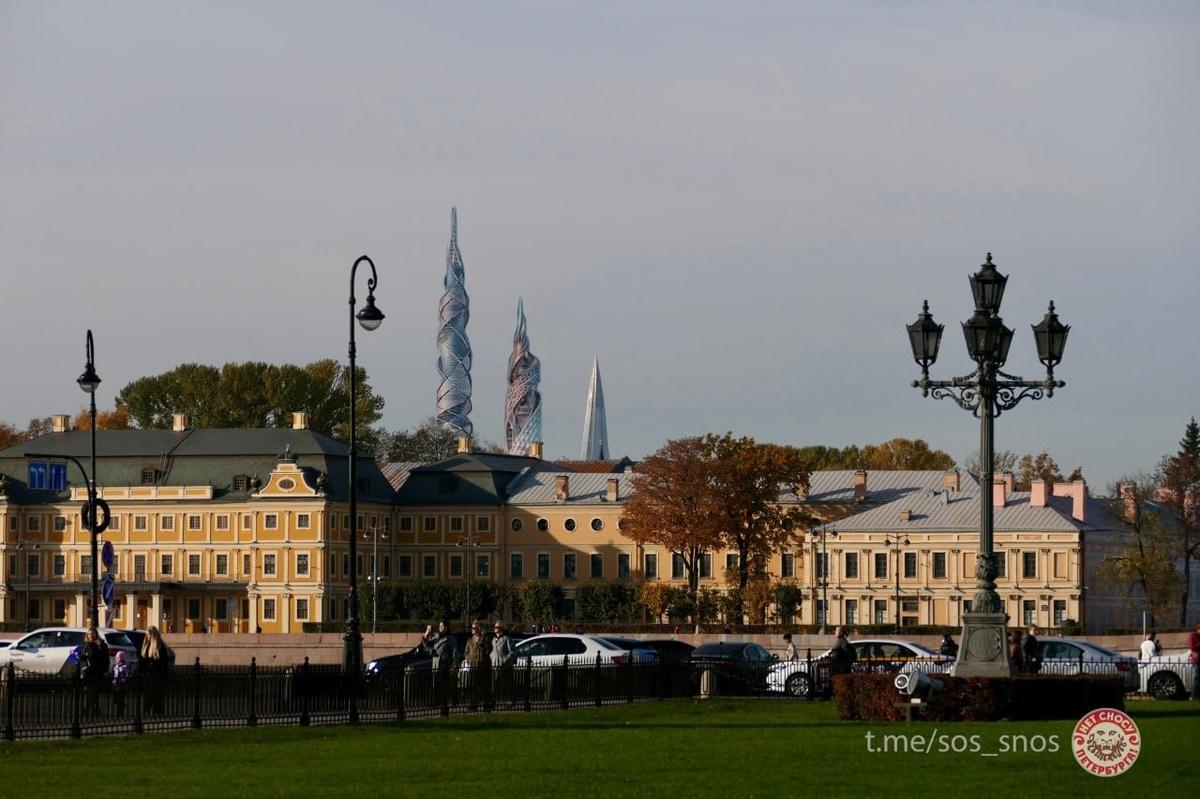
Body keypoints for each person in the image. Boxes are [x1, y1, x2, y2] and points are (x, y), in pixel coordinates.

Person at [139, 625, 173, 716]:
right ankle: (146, 711)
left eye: (148, 635)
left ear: (153, 635)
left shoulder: (160, 647)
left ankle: (157, 712)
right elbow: (142, 661)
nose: (147, 637)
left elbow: (163, 663)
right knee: (148, 695)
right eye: (146, 635)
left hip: (158, 675)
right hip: (148, 676)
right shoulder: (145, 646)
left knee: (158, 695)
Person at [80, 627, 110, 718]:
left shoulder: (101, 644)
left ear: (96, 634)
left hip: (97, 672)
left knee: (94, 692)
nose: (91, 636)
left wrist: (104, 671)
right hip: (88, 672)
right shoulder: (85, 644)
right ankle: (91, 710)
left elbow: (104, 658)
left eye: (92, 634)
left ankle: (91, 710)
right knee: (89, 692)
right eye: (89, 634)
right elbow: (82, 656)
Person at [463, 622, 488, 709]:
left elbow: (488, 649)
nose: (472, 630)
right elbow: (466, 651)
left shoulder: (484, 638)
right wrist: (468, 659)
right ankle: (472, 703)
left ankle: (483, 704)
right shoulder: (470, 640)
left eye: (474, 628)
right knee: (472, 685)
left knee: (481, 686)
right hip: (472, 665)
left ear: (478, 629)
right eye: (472, 628)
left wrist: (483, 638)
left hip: (481, 665)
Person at [491, 621, 515, 706]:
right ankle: (493, 702)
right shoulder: (494, 639)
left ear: (501, 628)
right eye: (494, 627)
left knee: (506, 685)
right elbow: (492, 651)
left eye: (496, 627)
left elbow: (512, 652)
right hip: (494, 666)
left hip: (505, 667)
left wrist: (504, 661)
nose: (495, 628)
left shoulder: (507, 639)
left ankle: (508, 701)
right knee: (494, 686)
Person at [111, 650, 131, 717]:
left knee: (121, 701)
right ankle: (116, 714)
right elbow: (112, 674)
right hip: (115, 686)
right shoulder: (115, 666)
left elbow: (127, 676)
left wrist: (123, 681)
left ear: (122, 658)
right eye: (116, 657)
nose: (117, 659)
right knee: (116, 701)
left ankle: (120, 714)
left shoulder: (126, 666)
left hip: (122, 686)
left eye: (118, 657)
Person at [1189, 620, 1200, 701]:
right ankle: (1193, 696)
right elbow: (1192, 647)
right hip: (1198, 659)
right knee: (1197, 678)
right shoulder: (1193, 635)